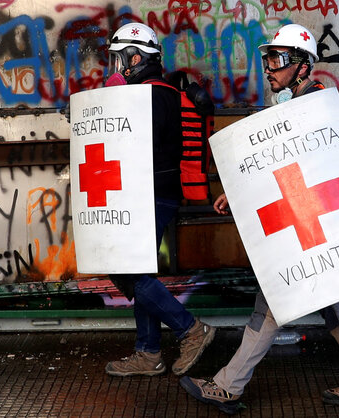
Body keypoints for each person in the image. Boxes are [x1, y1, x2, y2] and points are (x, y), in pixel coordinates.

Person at [179, 24, 339, 414]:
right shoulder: (284, 108)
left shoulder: (318, 108)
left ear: (302, 65)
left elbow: (319, 171)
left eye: (277, 59)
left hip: (311, 224)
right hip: (303, 224)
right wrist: (237, 192)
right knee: (333, 300)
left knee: (274, 301)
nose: (269, 67)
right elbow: (276, 171)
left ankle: (228, 385)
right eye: (267, 59)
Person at [102, 22, 215, 377]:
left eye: (118, 60)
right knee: (139, 270)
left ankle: (191, 329)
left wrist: (109, 107)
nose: (115, 68)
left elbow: (134, 147)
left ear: (135, 58)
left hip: (149, 194)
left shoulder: (148, 96)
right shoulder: (159, 91)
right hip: (150, 193)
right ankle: (148, 353)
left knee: (128, 270)